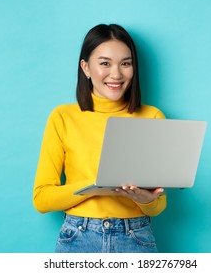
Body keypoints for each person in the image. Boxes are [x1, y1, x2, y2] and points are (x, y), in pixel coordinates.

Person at [33, 24, 167, 253]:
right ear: (85, 67)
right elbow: (42, 199)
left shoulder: (152, 117)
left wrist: (144, 198)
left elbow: (158, 206)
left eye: (125, 63)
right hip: (78, 236)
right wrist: (95, 185)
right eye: (105, 63)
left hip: (135, 237)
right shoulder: (62, 117)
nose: (116, 74)